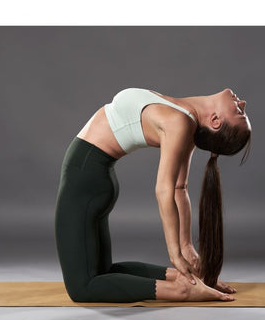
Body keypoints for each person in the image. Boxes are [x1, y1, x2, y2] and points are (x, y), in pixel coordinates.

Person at [54, 87, 252, 303]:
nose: (242, 103)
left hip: (83, 179)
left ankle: (181, 291)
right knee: (102, 273)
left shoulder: (179, 122)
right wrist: (186, 247)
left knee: (82, 288)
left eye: (239, 112)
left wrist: (176, 253)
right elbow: (179, 189)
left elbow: (166, 189)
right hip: (95, 180)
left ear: (215, 121)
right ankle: (186, 279)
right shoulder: (186, 120)